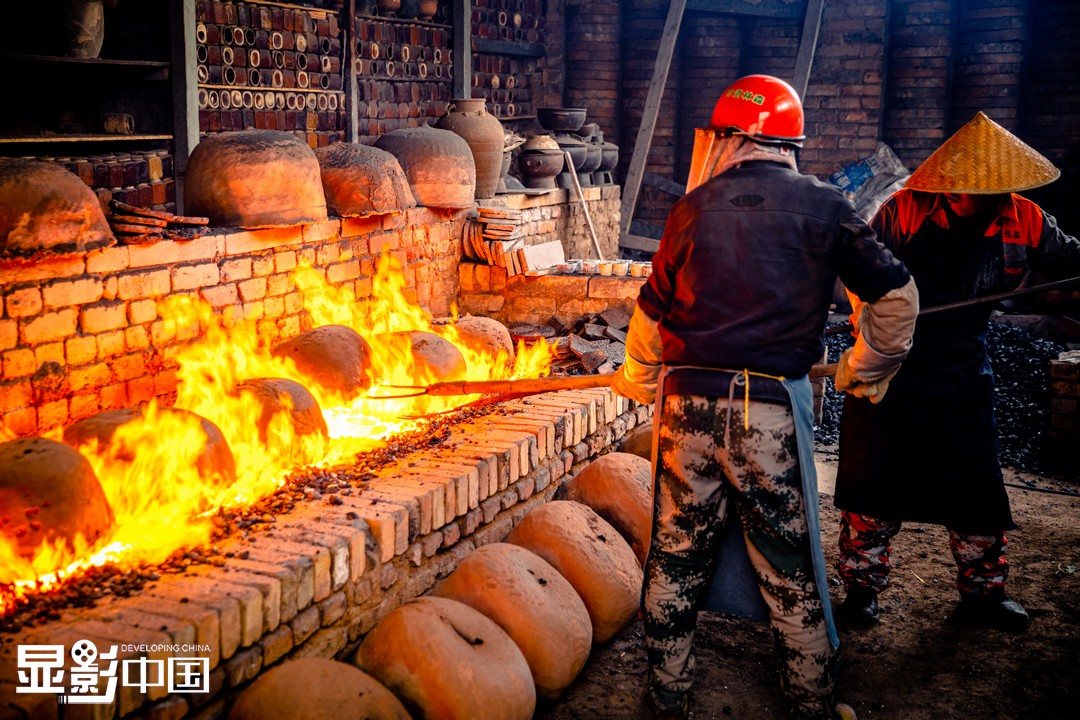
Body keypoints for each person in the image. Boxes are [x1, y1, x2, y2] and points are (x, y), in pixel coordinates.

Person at [611, 74, 919, 720]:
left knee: (676, 551)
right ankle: (810, 696)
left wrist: (637, 378)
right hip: (768, 412)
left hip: (686, 409)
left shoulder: (691, 209)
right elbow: (895, 297)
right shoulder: (828, 207)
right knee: (785, 556)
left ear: (734, 138)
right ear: (789, 143)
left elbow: (649, 318)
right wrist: (868, 363)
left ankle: (667, 690)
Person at [833, 111, 1080, 632]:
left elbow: (1071, 265)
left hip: (964, 365)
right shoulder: (904, 212)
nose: (974, 200)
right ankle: (861, 590)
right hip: (893, 364)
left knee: (976, 488)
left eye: (987, 191)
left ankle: (983, 595)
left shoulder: (1025, 219)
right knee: (870, 483)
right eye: (965, 190)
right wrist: (866, 324)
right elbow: (858, 275)